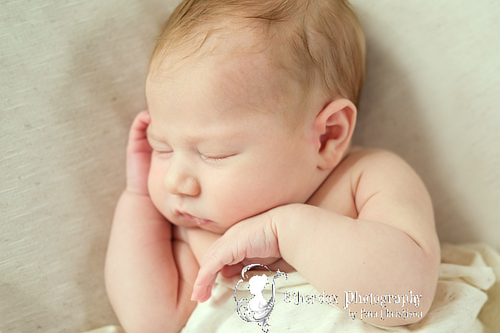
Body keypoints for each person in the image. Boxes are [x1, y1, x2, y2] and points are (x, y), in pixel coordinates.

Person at [105, 0, 440, 331]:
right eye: (160, 147)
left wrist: (286, 231)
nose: (176, 182)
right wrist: (138, 198)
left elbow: (407, 299)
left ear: (327, 136)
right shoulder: (200, 232)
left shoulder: (365, 179)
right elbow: (150, 322)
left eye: (214, 153)